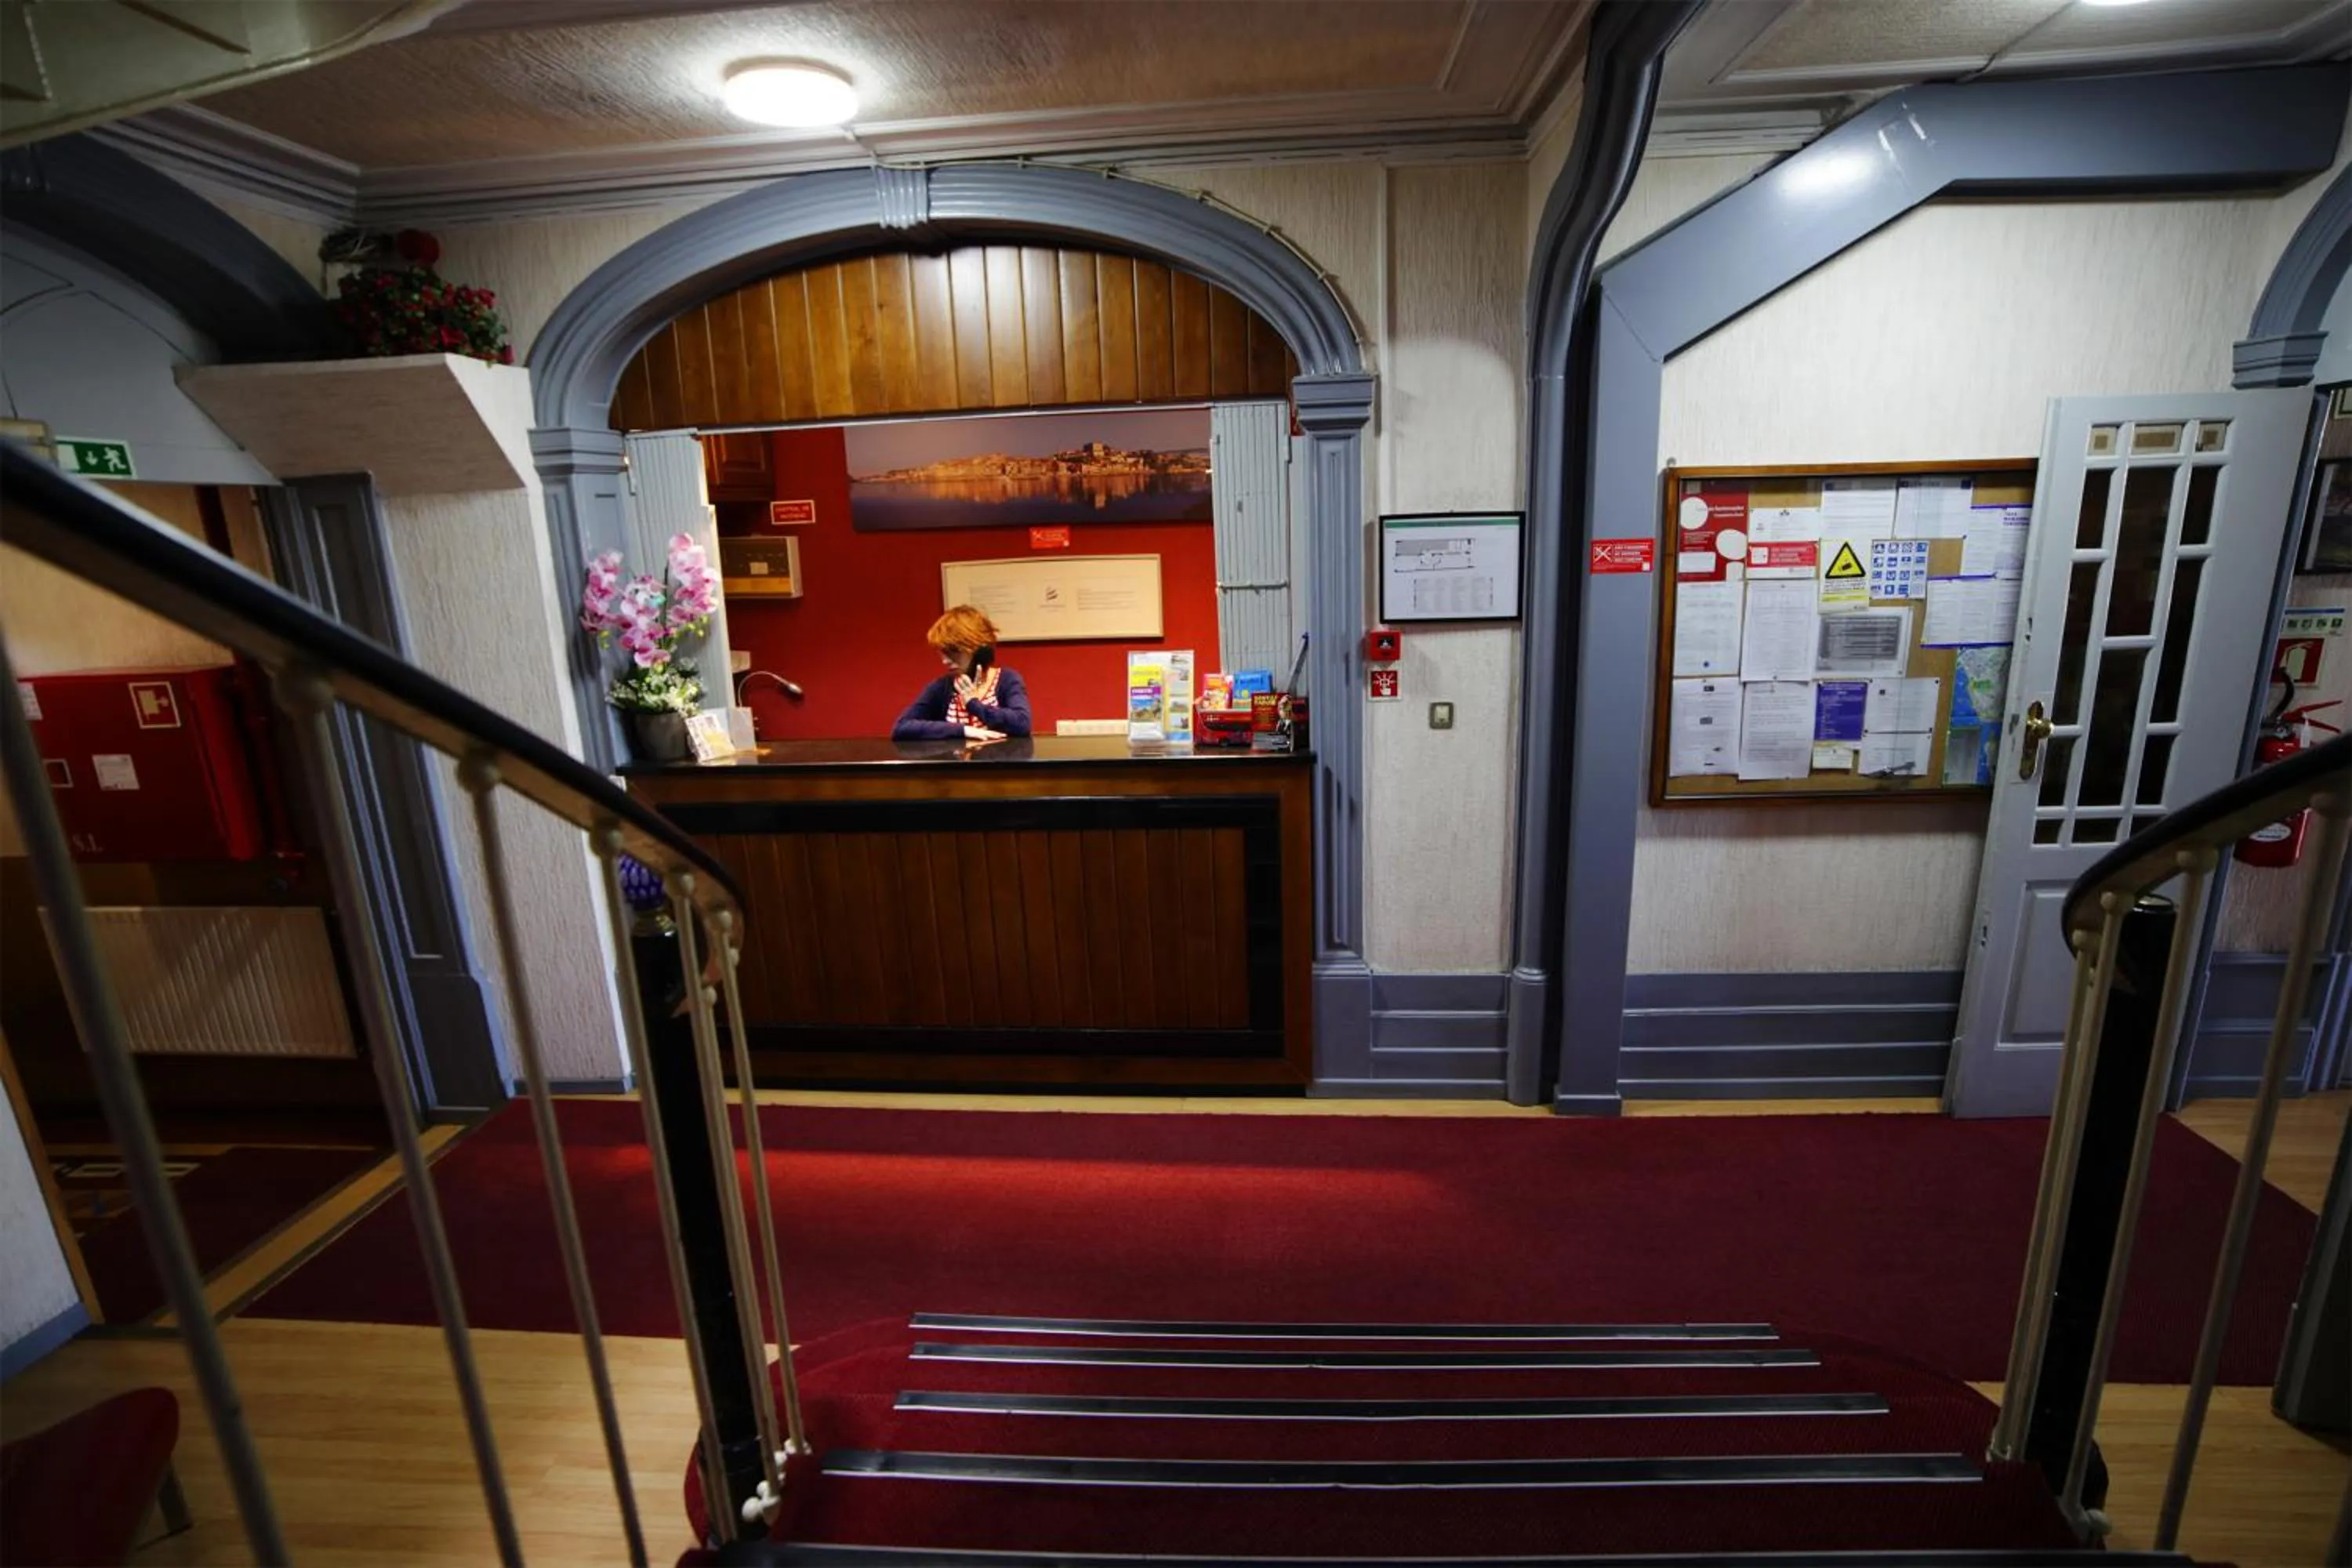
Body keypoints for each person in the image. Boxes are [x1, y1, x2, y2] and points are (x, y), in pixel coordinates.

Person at [893, 604, 1033, 742]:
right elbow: (902, 727)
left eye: (954, 652)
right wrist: (963, 730)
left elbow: (1022, 723)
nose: (945, 661)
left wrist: (974, 704)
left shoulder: (1007, 679)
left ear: (979, 650)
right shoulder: (942, 686)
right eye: (943, 653)